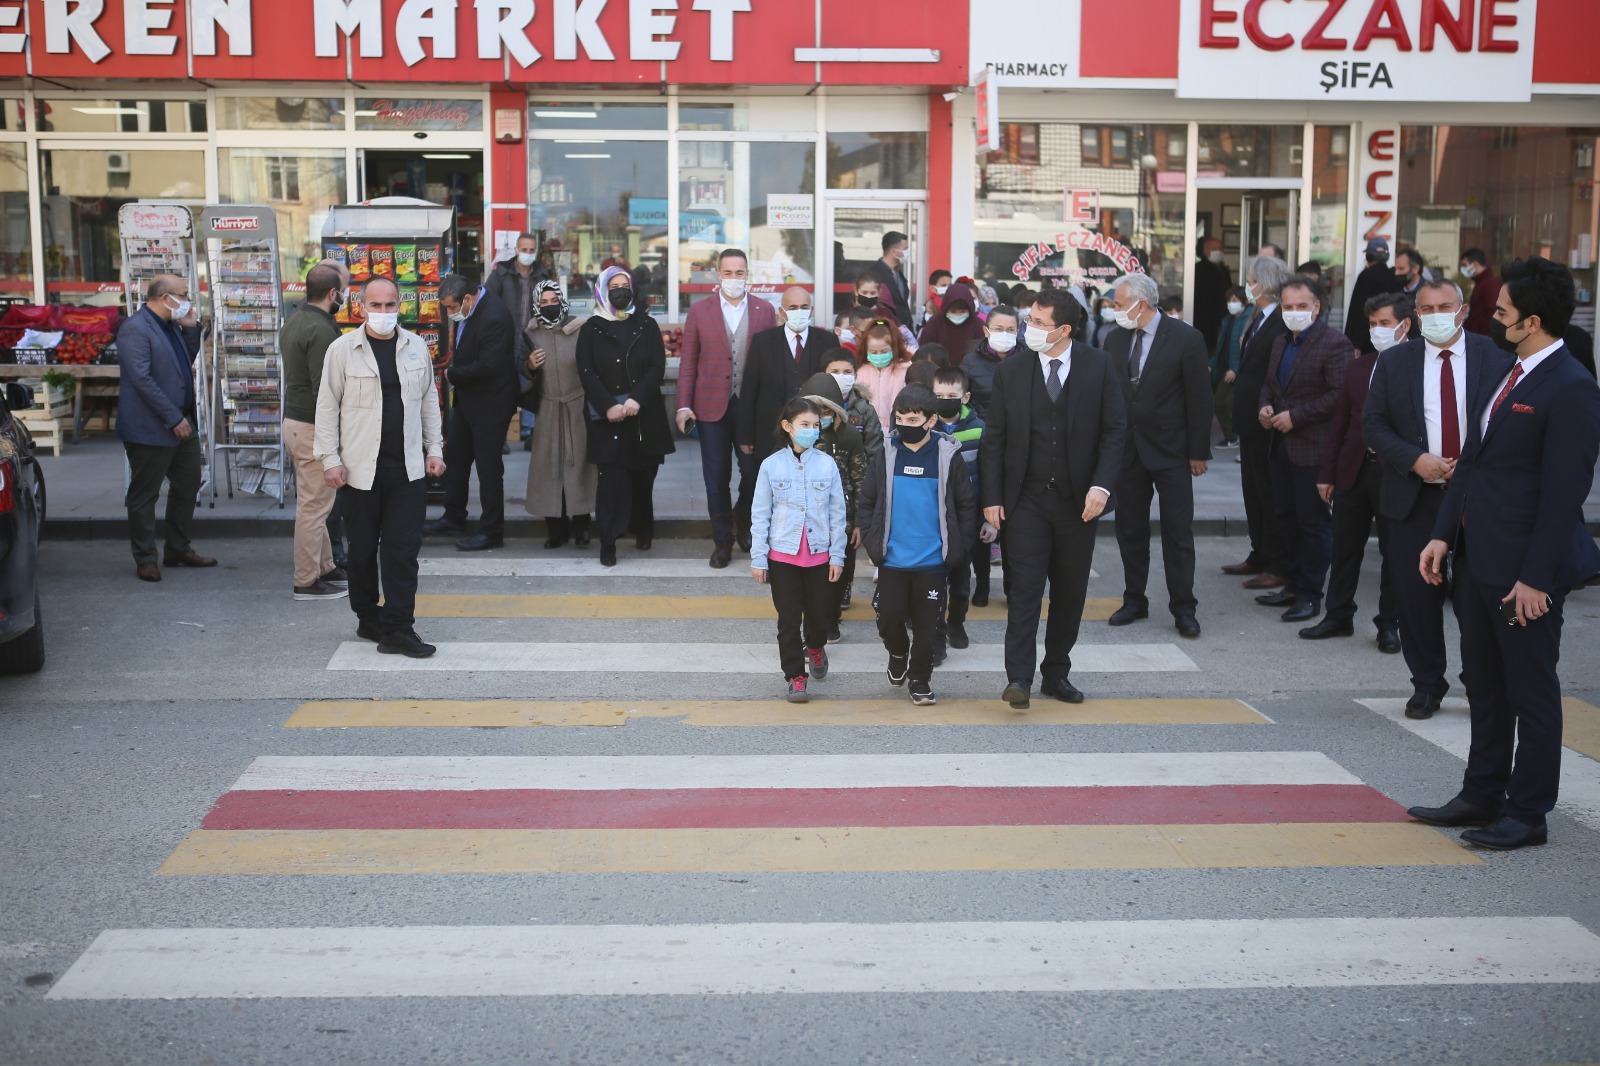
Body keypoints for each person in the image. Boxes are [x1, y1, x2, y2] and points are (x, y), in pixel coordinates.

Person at [1409, 256, 1600, 851]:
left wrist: (1537, 579)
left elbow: (1564, 495)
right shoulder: (1507, 371)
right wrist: (1443, 533)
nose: (1493, 319)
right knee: (1485, 686)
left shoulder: (1571, 388)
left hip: (1524, 575)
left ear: (1534, 321)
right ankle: (1482, 792)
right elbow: (1472, 461)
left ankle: (1528, 813)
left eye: (1503, 313)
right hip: (1476, 561)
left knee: (1531, 693)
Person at [1364, 279, 1513, 719]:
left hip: (1478, 498)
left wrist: (1472, 465)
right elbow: (1373, 425)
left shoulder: (1497, 358)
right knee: (1415, 597)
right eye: (1426, 309)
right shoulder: (1394, 362)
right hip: (1415, 495)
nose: (1436, 315)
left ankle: (1480, 683)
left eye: (1444, 306)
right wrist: (1415, 460)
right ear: (1416, 315)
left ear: (1463, 311)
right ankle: (1427, 684)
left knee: (1477, 596)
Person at [980, 288, 1125, 708]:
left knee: (1069, 591)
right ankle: (1018, 678)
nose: (1030, 330)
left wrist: (1102, 486)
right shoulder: (1013, 371)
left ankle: (1056, 673)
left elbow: (1115, 430)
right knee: (1024, 589)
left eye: (1039, 324)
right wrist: (992, 496)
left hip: (1079, 502)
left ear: (1064, 329)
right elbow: (995, 439)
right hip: (1025, 498)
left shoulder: (1098, 365)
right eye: (1030, 321)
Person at [314, 277, 445, 658]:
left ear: (400, 306)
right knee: (362, 550)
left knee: (402, 551)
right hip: (358, 471)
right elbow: (327, 408)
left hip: (406, 470)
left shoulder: (416, 347)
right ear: (361, 306)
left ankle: (399, 628)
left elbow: (428, 404)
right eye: (377, 305)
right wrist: (330, 459)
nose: (384, 313)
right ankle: (368, 616)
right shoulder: (342, 350)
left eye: (390, 306)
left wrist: (434, 449)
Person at [1101, 273, 1211, 638]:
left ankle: (1184, 608)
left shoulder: (1185, 338)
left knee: (1177, 532)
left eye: (1118, 304)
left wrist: (1198, 451)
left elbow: (1199, 398)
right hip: (1128, 452)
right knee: (1130, 529)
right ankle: (1135, 599)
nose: (1114, 311)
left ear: (1140, 304)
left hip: (1172, 452)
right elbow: (1109, 397)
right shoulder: (1114, 339)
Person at [858, 384, 978, 707]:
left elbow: (967, 506)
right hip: (893, 560)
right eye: (899, 418)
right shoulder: (886, 454)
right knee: (889, 618)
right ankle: (897, 653)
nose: (904, 426)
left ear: (931, 420)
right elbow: (867, 503)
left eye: (913, 419)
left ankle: (920, 679)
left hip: (932, 563)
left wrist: (958, 549)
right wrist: (872, 543)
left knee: (928, 628)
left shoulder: (947, 456)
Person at [1303, 292, 1407, 651]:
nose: (1377, 330)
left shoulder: (1419, 367)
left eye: (1385, 324)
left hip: (1397, 475)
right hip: (1353, 471)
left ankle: (1389, 624)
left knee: (1395, 553)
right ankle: (1338, 615)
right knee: (1345, 548)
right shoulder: (1358, 366)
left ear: (1405, 325)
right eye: (1373, 324)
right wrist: (1327, 473)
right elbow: (1341, 425)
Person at [1256, 276, 1352, 624]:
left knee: (1312, 525)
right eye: (1287, 306)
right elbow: (1270, 385)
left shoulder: (1335, 343)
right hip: (1279, 446)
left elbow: (1340, 394)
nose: (1293, 312)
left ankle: (1311, 595)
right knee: (1286, 518)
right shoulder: (1281, 341)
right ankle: (1293, 585)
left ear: (1316, 307)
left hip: (1313, 449)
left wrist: (1295, 416)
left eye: (1301, 306)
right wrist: (1265, 408)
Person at [674, 248, 778, 567]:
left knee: (753, 471)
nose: (734, 278)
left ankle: (743, 518)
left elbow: (771, 364)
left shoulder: (764, 310)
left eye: (740, 273)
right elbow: (689, 362)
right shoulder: (699, 312)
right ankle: (722, 540)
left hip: (751, 407)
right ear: (718, 275)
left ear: (748, 275)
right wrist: (683, 405)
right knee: (716, 476)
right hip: (710, 406)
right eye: (728, 273)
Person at [115, 274, 214, 582]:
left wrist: (191, 328)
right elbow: (141, 380)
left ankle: (178, 548)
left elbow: (184, 364)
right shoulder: (135, 329)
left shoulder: (171, 325)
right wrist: (172, 418)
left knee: (187, 485)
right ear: (164, 297)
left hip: (183, 422)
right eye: (184, 295)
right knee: (145, 494)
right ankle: (145, 558)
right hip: (152, 427)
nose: (188, 300)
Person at [750, 396, 847, 703]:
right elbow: (760, 513)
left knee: (819, 617)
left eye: (815, 425)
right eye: (804, 424)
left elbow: (837, 513)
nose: (811, 430)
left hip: (820, 556)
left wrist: (837, 555)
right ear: (788, 426)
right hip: (782, 555)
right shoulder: (771, 466)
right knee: (788, 620)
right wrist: (758, 557)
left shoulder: (827, 464)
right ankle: (795, 676)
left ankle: (816, 647)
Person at [578, 267, 675, 568]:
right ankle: (608, 541)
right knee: (611, 481)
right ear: (602, 291)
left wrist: (636, 399)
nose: (620, 291)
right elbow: (586, 371)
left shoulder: (646, 324)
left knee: (642, 477)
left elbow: (656, 367)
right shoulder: (591, 327)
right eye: (614, 286)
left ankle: (643, 530)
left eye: (625, 285)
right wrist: (608, 405)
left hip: (643, 417)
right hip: (607, 418)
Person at [424, 274, 518, 551]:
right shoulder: (474, 308)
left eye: (452, 308)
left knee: (488, 469)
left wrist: (452, 373)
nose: (450, 313)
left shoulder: (494, 317)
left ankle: (492, 531)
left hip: (491, 403)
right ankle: (454, 516)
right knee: (457, 458)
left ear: (468, 298)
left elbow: (488, 366)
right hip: (468, 400)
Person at [281, 260, 350, 600]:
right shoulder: (321, 330)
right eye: (345, 290)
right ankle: (306, 580)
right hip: (311, 425)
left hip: (297, 422)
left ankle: (324, 567)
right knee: (313, 508)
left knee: (318, 503)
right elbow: (325, 389)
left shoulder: (296, 319)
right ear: (333, 293)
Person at [1224, 255, 1294, 587]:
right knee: (1252, 491)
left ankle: (1278, 562)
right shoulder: (1258, 316)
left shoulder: (1282, 319)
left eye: (1251, 279)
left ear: (1263, 283)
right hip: (1250, 419)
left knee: (1270, 493)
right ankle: (1259, 553)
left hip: (1266, 419)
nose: (1247, 285)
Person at [523, 280, 596, 549]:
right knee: (548, 470)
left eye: (554, 301)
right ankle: (556, 530)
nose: (550, 306)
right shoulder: (530, 333)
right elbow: (521, 371)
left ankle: (582, 528)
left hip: (577, 407)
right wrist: (529, 365)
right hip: (548, 409)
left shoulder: (580, 329)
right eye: (544, 302)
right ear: (536, 304)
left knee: (579, 469)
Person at [799, 370, 868, 644]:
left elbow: (860, 477)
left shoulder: (849, 435)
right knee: (810, 574)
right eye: (816, 409)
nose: (821, 415)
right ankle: (814, 620)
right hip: (807, 521)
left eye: (827, 409)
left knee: (841, 572)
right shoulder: (798, 435)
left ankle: (832, 618)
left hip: (843, 522)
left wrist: (862, 522)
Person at [931, 367, 993, 661]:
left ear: (965, 397)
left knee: (960, 577)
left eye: (951, 396)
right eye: (939, 396)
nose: (945, 401)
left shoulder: (979, 428)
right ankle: (937, 629)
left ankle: (957, 623)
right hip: (931, 518)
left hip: (966, 518)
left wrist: (989, 518)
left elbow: (988, 474)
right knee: (933, 579)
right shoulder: (925, 427)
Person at [737, 286, 833, 458]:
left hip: (815, 432)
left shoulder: (827, 340)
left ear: (811, 311)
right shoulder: (763, 342)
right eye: (793, 308)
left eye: (804, 307)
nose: (799, 312)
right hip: (770, 433)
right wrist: (745, 435)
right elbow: (749, 389)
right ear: (782, 312)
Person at [485, 232, 550, 446]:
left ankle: (530, 432)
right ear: (516, 250)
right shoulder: (501, 273)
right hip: (505, 340)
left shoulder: (543, 276)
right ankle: (501, 433)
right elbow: (486, 304)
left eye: (532, 250)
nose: (528, 254)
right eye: (524, 250)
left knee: (532, 386)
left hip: (532, 340)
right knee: (503, 389)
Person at [1344, 237, 1403, 354]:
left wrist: (1355, 343)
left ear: (1368, 257)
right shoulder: (1394, 277)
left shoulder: (1366, 276)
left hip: (1368, 340)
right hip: (1392, 336)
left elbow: (1357, 312)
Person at [823, 348, 883, 458]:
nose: (841, 376)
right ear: (823, 374)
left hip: (856, 473)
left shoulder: (866, 411)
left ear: (855, 376)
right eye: (835, 372)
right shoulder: (812, 407)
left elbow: (874, 452)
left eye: (847, 372)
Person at [855, 318, 913, 428]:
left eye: (884, 351)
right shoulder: (860, 371)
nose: (879, 355)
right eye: (873, 352)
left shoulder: (905, 370)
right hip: (868, 431)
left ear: (894, 348)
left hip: (898, 429)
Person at [964, 303, 1018, 422]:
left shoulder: (1029, 360)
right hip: (983, 430)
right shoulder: (970, 362)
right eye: (998, 329)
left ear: (1017, 331)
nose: (1005, 334)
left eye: (1010, 330)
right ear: (986, 331)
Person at [1211, 285, 1249, 448]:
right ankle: (1232, 437)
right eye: (1229, 301)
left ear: (1244, 302)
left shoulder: (1249, 320)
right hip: (1227, 370)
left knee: (1230, 403)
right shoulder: (1229, 320)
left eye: (1234, 301)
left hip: (1241, 372)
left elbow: (1243, 348)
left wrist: (1235, 369)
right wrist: (1211, 364)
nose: (1230, 304)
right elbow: (1222, 347)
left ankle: (1241, 436)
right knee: (1219, 402)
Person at [917, 280, 986, 364]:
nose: (958, 315)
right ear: (946, 309)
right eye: (953, 312)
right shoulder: (935, 323)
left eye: (962, 312)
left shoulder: (978, 325)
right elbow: (925, 352)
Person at [854, 274, 919, 353]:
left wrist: (915, 354)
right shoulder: (849, 313)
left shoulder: (885, 313)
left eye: (872, 293)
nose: (868, 296)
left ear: (879, 292)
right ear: (856, 291)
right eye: (864, 292)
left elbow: (904, 333)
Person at [865, 230, 913, 325]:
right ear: (894, 252)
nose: (908, 253)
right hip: (886, 329)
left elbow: (903, 304)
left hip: (903, 330)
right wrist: (881, 326)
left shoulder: (899, 273)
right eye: (905, 249)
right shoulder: (873, 273)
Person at [1193, 236, 1232, 352]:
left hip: (1222, 316)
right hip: (1204, 319)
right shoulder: (1199, 269)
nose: (1218, 251)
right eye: (1214, 248)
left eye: (1221, 248)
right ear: (1206, 251)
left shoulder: (1223, 269)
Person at [1459, 248, 1502, 337]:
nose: (1462, 269)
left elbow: (1492, 312)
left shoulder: (1490, 284)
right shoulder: (1481, 283)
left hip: (1485, 337)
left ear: (1475, 264)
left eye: (1464, 265)